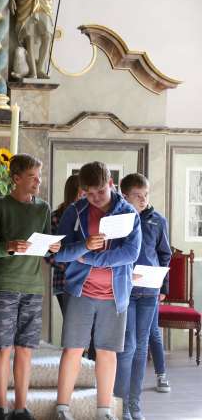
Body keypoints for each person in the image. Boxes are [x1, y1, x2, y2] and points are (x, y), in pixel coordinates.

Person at [53, 162, 141, 420]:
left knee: (107, 351)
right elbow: (61, 252)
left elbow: (130, 254)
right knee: (73, 349)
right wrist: (85, 245)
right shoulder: (75, 211)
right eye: (89, 194)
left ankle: (103, 410)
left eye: (100, 192)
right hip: (81, 291)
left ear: (111, 184)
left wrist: (91, 258)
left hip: (115, 294)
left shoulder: (128, 213)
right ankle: (62, 407)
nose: (95, 198)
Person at [0, 154, 61, 420]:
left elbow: (46, 251)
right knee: (3, 347)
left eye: (39, 176)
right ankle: (1, 407)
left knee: (26, 348)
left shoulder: (43, 208)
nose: (38, 181)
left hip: (33, 286)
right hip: (5, 284)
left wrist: (53, 247)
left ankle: (21, 407)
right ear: (16, 179)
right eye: (33, 177)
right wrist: (8, 246)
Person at [114, 173, 171, 420]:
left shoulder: (158, 220)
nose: (144, 199)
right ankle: (121, 406)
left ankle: (135, 405)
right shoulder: (118, 220)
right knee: (127, 348)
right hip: (126, 292)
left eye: (146, 194)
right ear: (124, 195)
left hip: (150, 293)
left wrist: (163, 287)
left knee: (140, 349)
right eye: (138, 195)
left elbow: (164, 254)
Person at [46, 174, 82, 316]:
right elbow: (48, 255)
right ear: (73, 193)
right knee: (72, 328)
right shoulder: (56, 217)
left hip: (89, 283)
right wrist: (72, 265)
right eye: (81, 193)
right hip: (64, 281)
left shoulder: (91, 215)